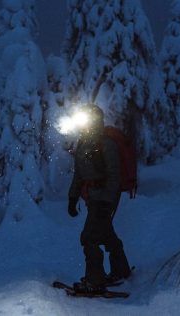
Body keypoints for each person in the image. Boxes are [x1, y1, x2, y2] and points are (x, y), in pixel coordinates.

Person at [67, 104, 132, 293]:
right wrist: (72, 198)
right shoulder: (83, 143)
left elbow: (114, 175)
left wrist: (106, 202)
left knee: (89, 237)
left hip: (105, 197)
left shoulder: (107, 144)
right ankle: (121, 269)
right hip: (92, 198)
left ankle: (95, 280)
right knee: (105, 233)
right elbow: (79, 174)